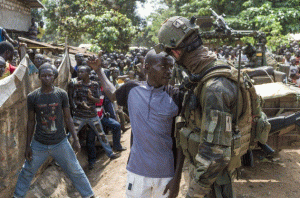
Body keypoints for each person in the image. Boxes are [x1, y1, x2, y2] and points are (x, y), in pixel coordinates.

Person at [154, 16, 270, 198]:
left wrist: (193, 193)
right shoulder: (208, 73)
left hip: (212, 184)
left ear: (176, 52)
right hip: (208, 176)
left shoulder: (214, 88)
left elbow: (215, 155)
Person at [88, 50, 185, 198]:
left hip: (165, 174)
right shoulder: (132, 89)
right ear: (147, 67)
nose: (169, 71)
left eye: (171, 67)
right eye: (164, 67)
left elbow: (181, 143)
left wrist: (176, 180)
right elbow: (112, 93)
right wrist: (99, 70)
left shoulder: (176, 96)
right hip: (137, 173)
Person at [13, 63, 96, 198]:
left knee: (75, 170)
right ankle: (17, 196)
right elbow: (31, 121)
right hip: (39, 143)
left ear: (54, 77)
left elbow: (68, 118)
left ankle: (89, 195)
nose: (47, 78)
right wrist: (27, 145)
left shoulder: (61, 94)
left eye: (49, 75)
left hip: (60, 142)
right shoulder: (32, 97)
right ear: (39, 77)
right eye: (44, 76)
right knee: (27, 171)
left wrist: (75, 139)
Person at [68, 65, 120, 162]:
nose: (79, 74)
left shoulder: (95, 85)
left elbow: (98, 100)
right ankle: (63, 158)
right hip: (79, 116)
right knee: (71, 136)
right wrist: (81, 104)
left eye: (82, 72)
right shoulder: (77, 85)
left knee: (102, 135)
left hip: (93, 116)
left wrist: (91, 98)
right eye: (79, 72)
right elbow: (74, 100)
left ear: (88, 73)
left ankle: (110, 154)